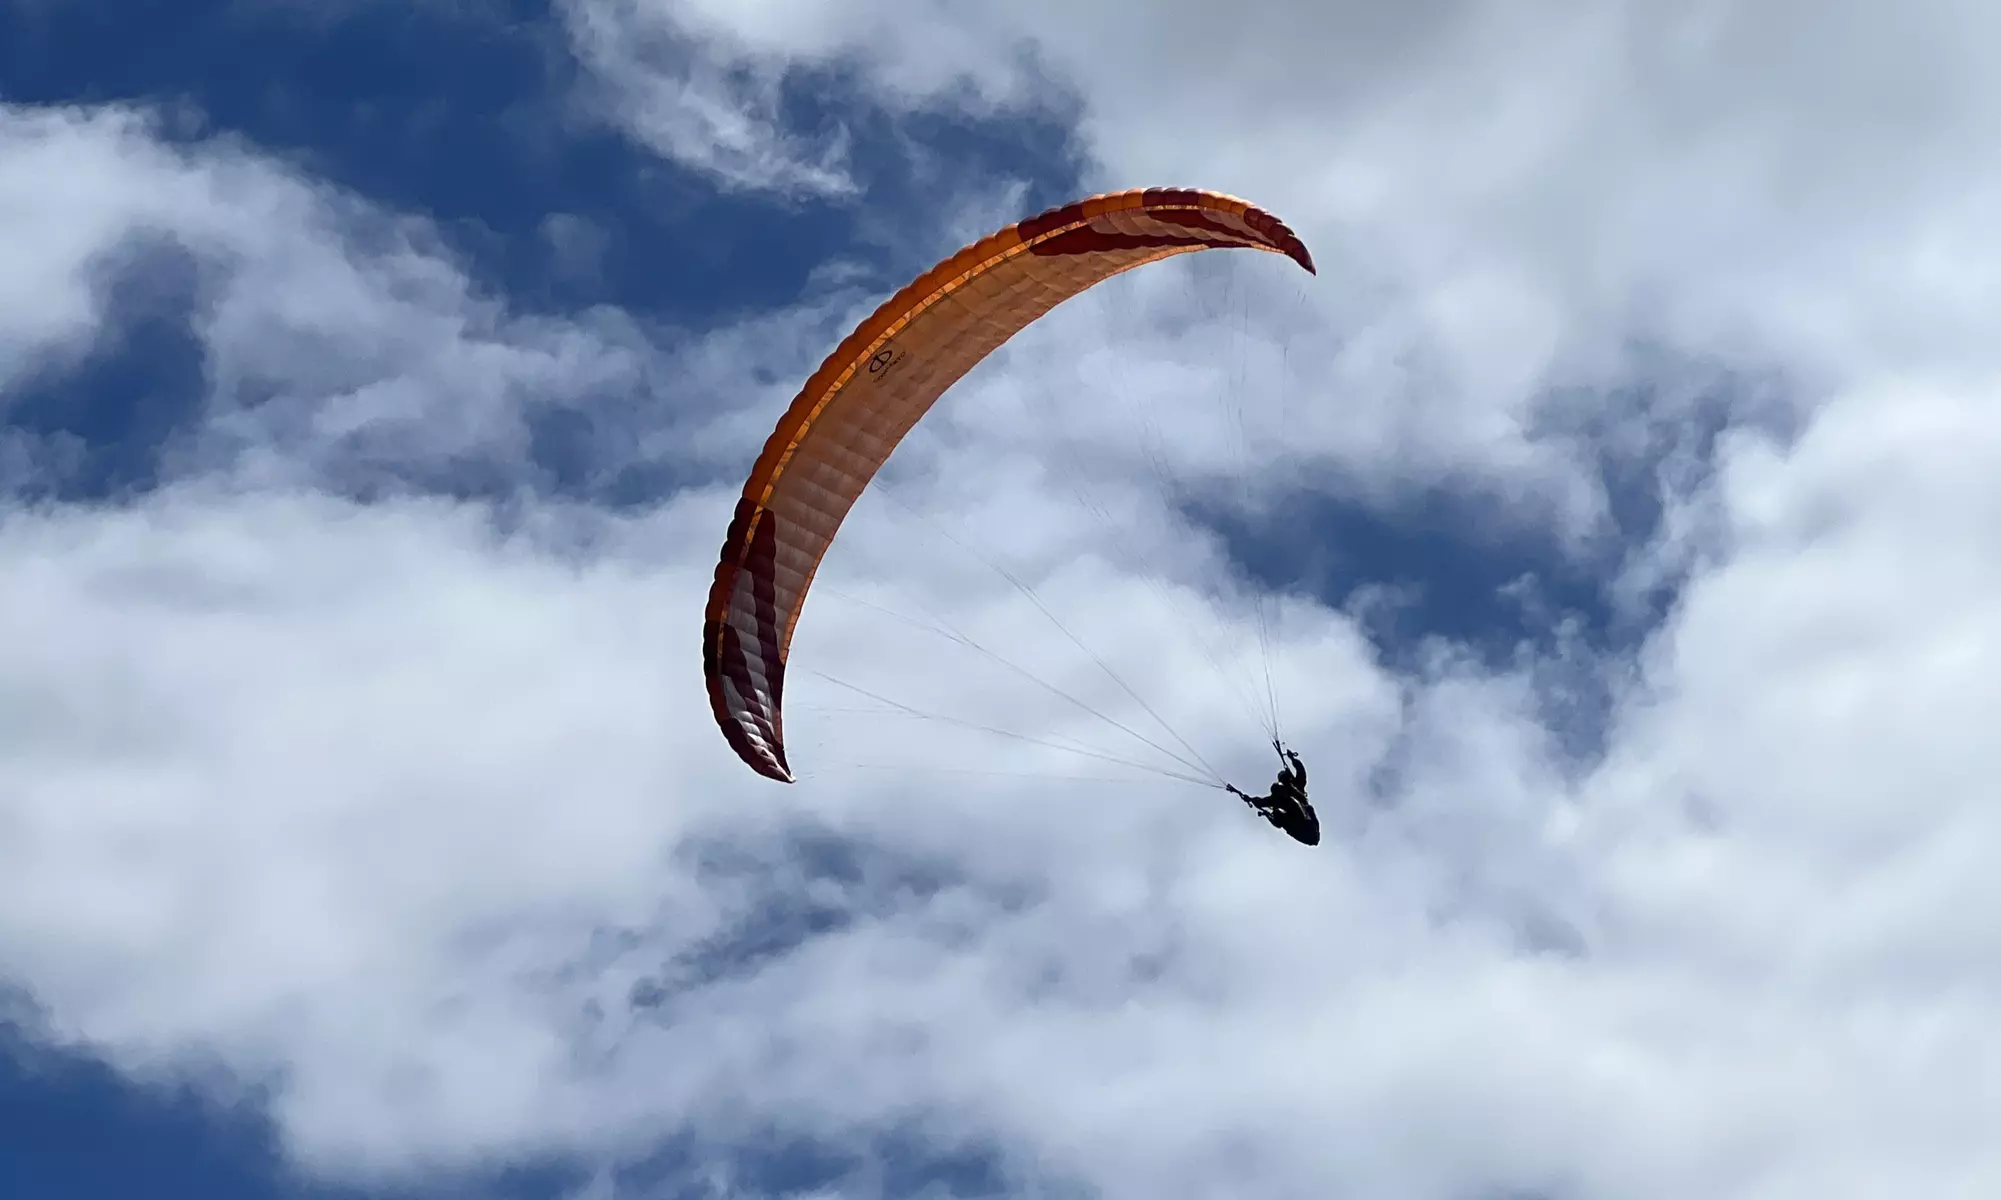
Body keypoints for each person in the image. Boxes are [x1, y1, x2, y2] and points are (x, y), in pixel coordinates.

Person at [1227, 741, 1320, 845]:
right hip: (1300, 829)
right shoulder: (1276, 799)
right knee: (1278, 813)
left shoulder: (1297, 787)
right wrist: (1247, 798)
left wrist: (1293, 759)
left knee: (1288, 808)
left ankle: (1296, 818)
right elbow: (1260, 802)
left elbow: (1300, 771)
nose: (1286, 782)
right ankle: (1292, 818)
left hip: (1309, 827)